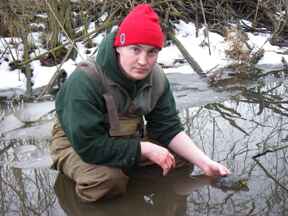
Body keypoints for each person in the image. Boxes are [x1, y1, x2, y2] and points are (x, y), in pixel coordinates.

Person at [50, 3, 230, 202]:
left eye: (151, 52)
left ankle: (130, 178)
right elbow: (89, 146)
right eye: (135, 50)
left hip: (125, 138)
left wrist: (205, 163)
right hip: (77, 144)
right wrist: (145, 149)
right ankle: (82, 191)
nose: (143, 61)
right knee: (107, 181)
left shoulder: (157, 78)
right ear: (119, 47)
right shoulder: (84, 80)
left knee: (181, 158)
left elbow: (167, 128)